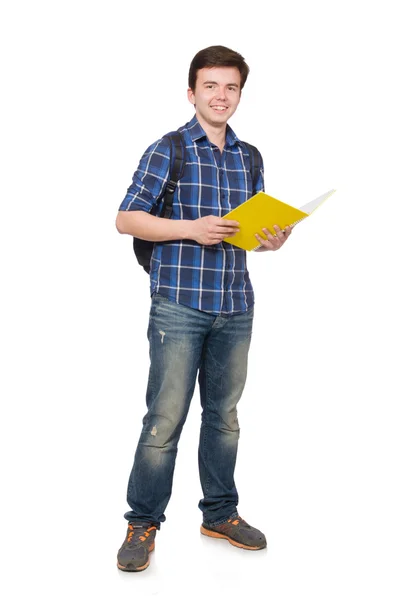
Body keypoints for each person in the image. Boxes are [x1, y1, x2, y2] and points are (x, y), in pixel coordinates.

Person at [115, 45, 292, 572]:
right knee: (165, 418)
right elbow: (127, 219)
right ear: (192, 93)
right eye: (211, 86)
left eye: (231, 87)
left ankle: (219, 512)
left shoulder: (249, 156)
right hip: (178, 305)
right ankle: (142, 522)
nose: (221, 96)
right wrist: (191, 229)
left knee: (225, 419)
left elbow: (248, 237)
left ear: (241, 93)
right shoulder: (167, 150)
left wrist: (271, 241)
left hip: (236, 305)